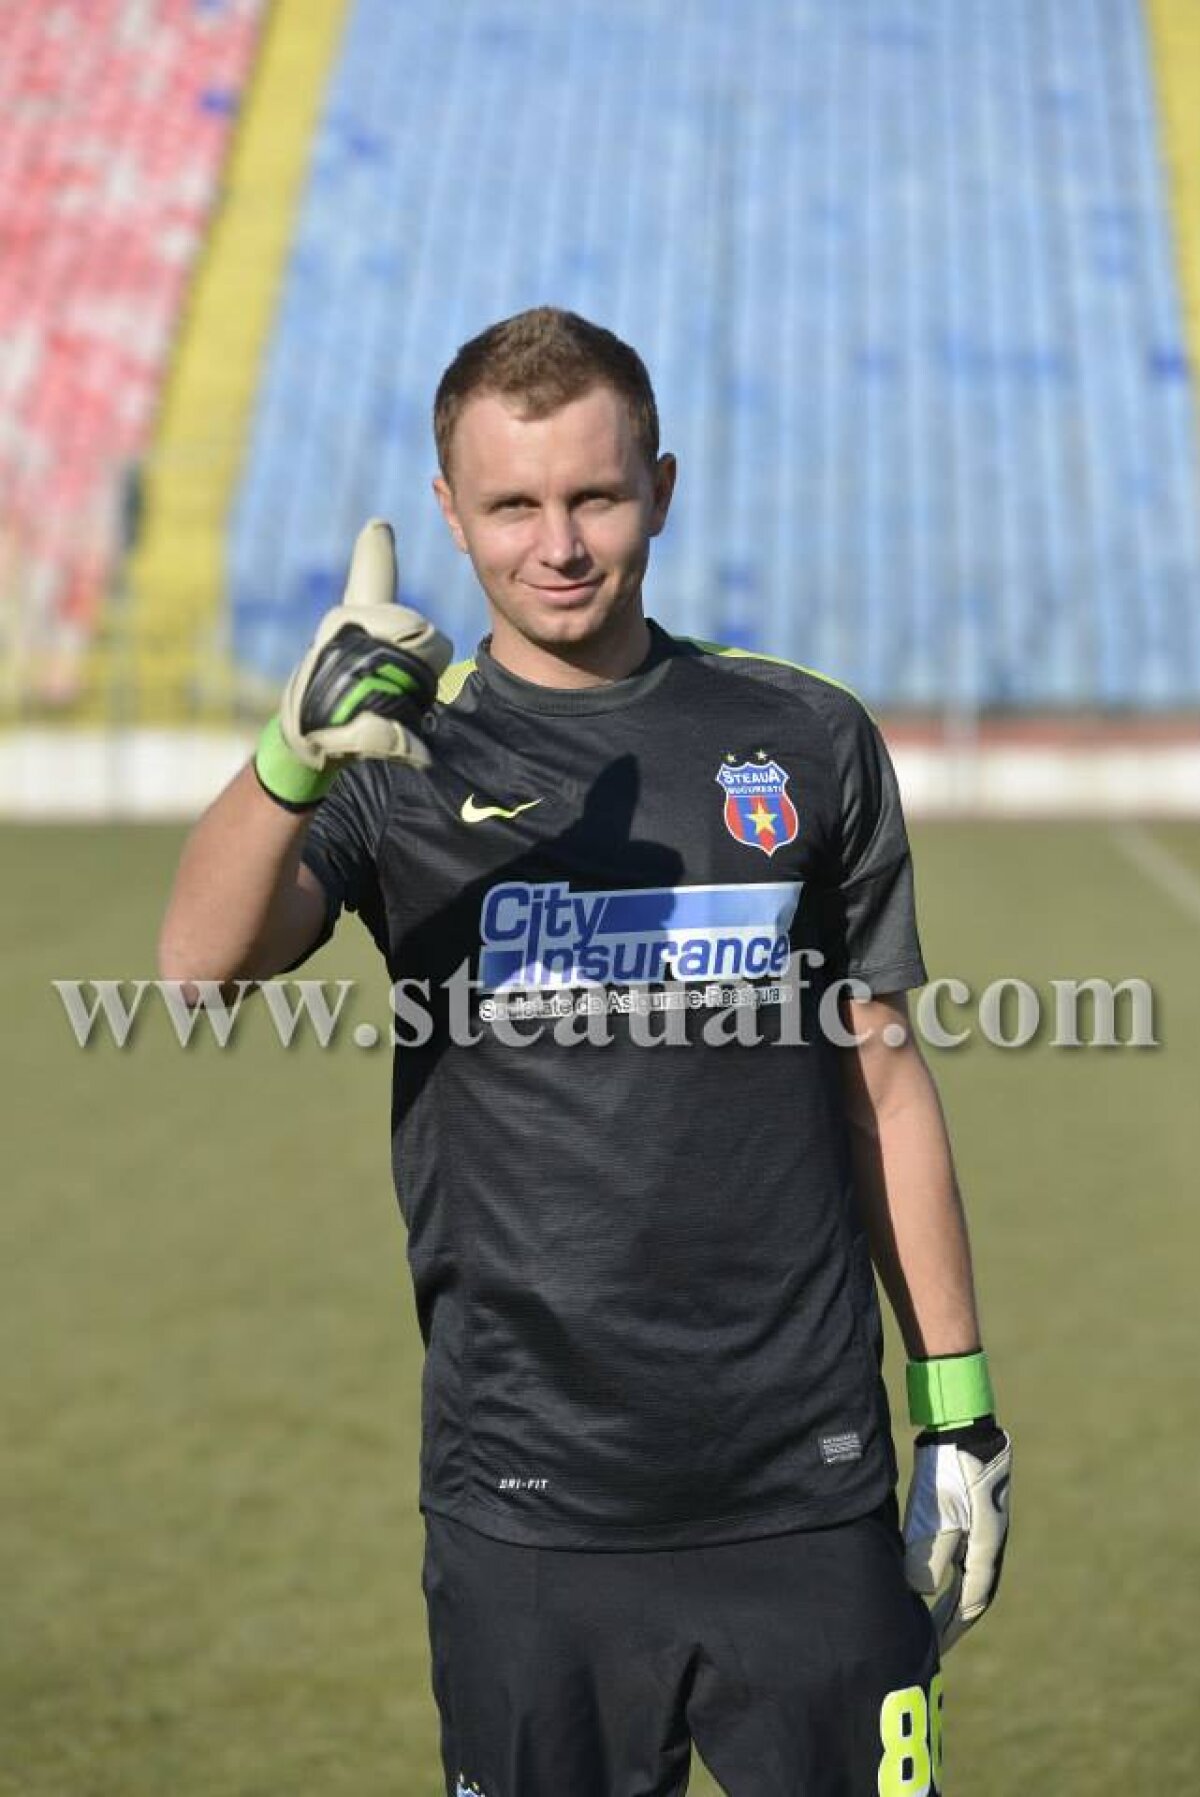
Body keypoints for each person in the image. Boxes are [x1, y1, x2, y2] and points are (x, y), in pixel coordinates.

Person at [160, 306, 1011, 1797]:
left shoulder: (805, 735)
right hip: (527, 1505)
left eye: (595, 497)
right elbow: (194, 972)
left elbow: (881, 1081)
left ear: (660, 490)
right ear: (449, 510)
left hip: (807, 1488)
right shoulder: (398, 760)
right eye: (512, 505)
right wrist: (291, 753)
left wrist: (960, 1407)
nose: (556, 545)